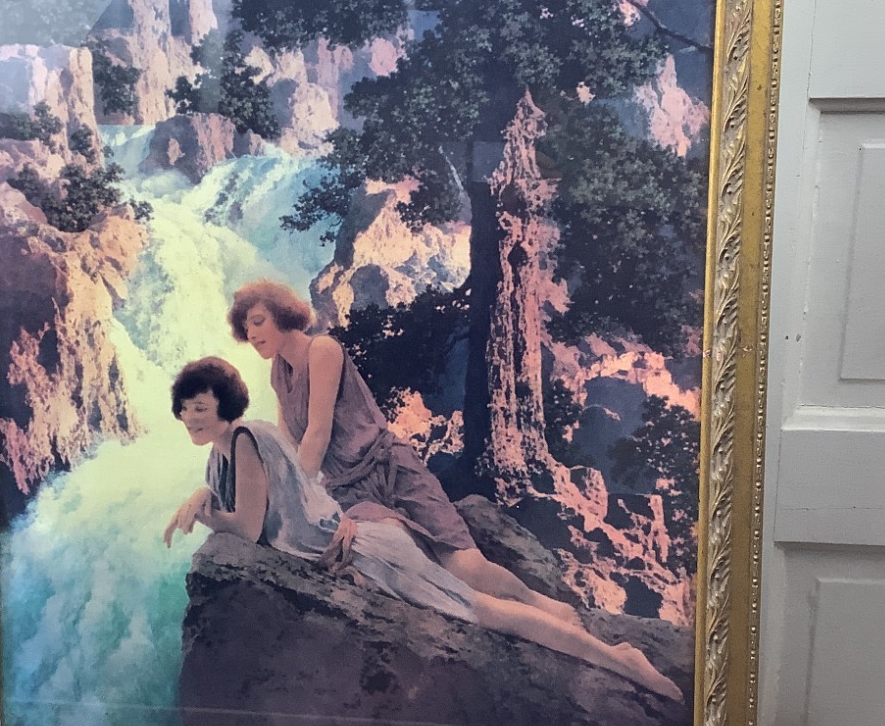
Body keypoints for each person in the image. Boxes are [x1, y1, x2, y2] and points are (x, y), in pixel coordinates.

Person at [162, 356, 682, 701]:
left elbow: (247, 527)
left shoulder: (247, 439)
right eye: (184, 409)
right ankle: (607, 649)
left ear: (226, 406)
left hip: (372, 553)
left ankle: (619, 660)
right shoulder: (221, 455)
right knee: (480, 607)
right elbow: (250, 507)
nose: (191, 418)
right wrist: (202, 495)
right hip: (360, 544)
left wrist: (203, 511)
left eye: (201, 408)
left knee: (483, 612)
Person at [228, 279, 586, 628]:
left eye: (258, 321)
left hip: (392, 467)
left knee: (467, 568)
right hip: (348, 492)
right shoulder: (278, 374)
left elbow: (317, 434)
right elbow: (290, 444)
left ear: (282, 314)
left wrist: (297, 497)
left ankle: (543, 606)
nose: (253, 334)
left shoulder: (322, 349)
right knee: (411, 566)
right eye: (246, 328)